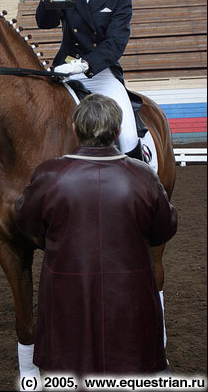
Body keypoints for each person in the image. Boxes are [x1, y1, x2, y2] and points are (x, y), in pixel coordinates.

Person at [14, 93, 178, 377]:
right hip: (131, 299)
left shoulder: (48, 175)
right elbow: (164, 229)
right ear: (117, 132)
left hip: (66, 300)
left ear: (76, 130)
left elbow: (25, 223)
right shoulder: (144, 176)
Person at [36, 0, 143, 160]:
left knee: (129, 136)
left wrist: (85, 64)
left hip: (101, 74)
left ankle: (140, 178)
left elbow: (115, 43)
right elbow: (45, 22)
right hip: (65, 72)